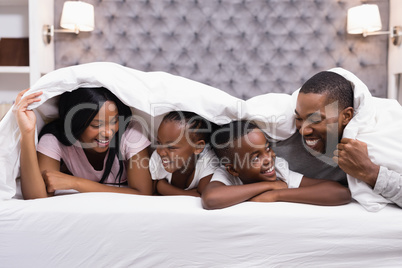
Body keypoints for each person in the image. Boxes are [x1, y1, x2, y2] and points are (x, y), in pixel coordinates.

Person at [13, 87, 153, 199]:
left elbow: (143, 194)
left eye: (114, 122)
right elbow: (37, 197)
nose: (108, 133)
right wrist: (27, 134)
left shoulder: (130, 134)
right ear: (76, 123)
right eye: (96, 125)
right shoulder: (55, 139)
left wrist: (76, 183)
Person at [294, 71, 402, 207]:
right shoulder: (284, 138)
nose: (304, 131)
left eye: (315, 120)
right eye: (299, 118)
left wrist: (369, 171)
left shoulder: (374, 139)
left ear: (346, 116)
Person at [201, 120, 351, 209]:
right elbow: (211, 199)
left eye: (267, 148)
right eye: (255, 158)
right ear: (233, 169)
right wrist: (269, 186)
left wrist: (276, 195)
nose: (268, 158)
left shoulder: (279, 169)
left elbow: (341, 193)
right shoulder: (227, 175)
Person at [150, 111, 218, 196]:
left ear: (198, 147)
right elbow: (152, 193)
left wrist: (162, 187)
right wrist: (192, 193)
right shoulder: (157, 158)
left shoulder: (208, 160)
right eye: (159, 143)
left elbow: (203, 195)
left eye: (171, 147)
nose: (160, 152)